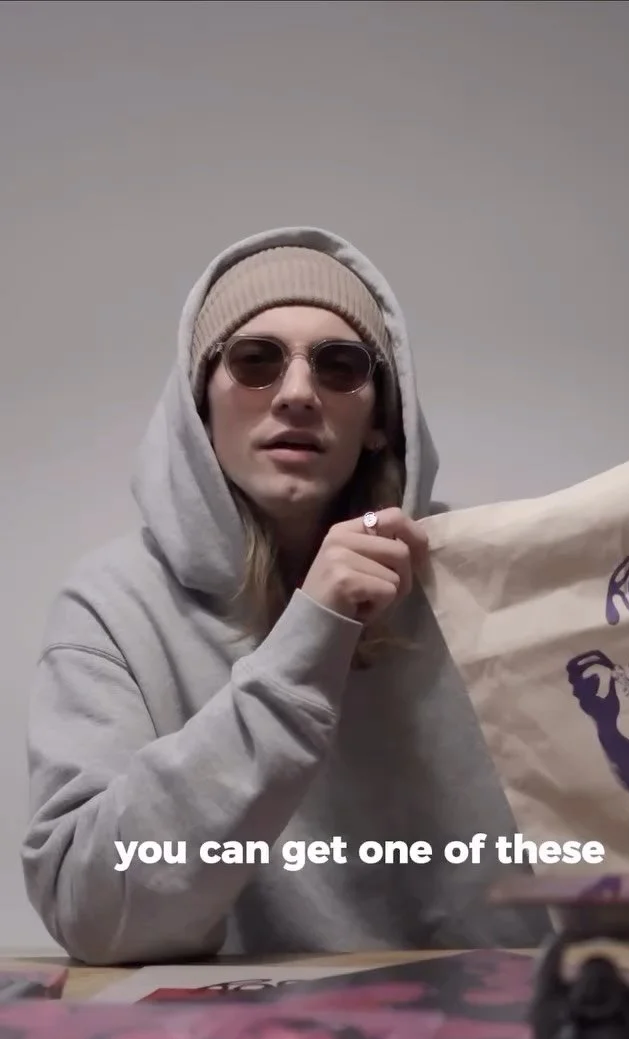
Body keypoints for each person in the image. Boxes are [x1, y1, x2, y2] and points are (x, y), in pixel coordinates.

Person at [20, 226, 548, 964]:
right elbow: (94, 913)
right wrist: (311, 635)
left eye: (340, 366)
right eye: (255, 361)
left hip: (488, 1022)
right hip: (240, 1032)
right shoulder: (112, 605)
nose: (298, 394)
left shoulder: (475, 583)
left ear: (378, 422)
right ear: (200, 407)